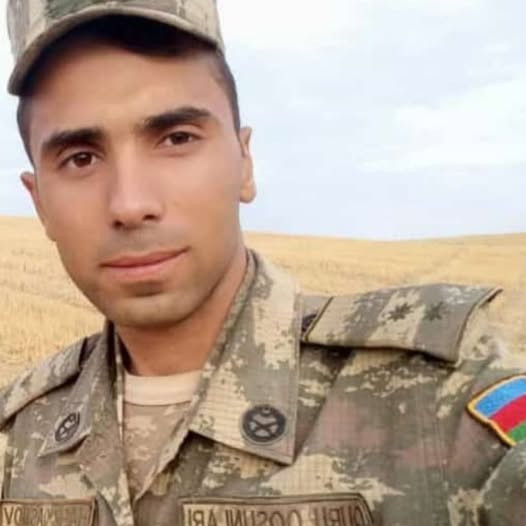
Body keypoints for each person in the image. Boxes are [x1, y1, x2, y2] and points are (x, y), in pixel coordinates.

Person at [1, 1, 525, 525]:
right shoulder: (17, 436)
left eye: (177, 139)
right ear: (40, 202)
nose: (131, 203)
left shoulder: (440, 397)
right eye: (81, 158)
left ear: (244, 163)